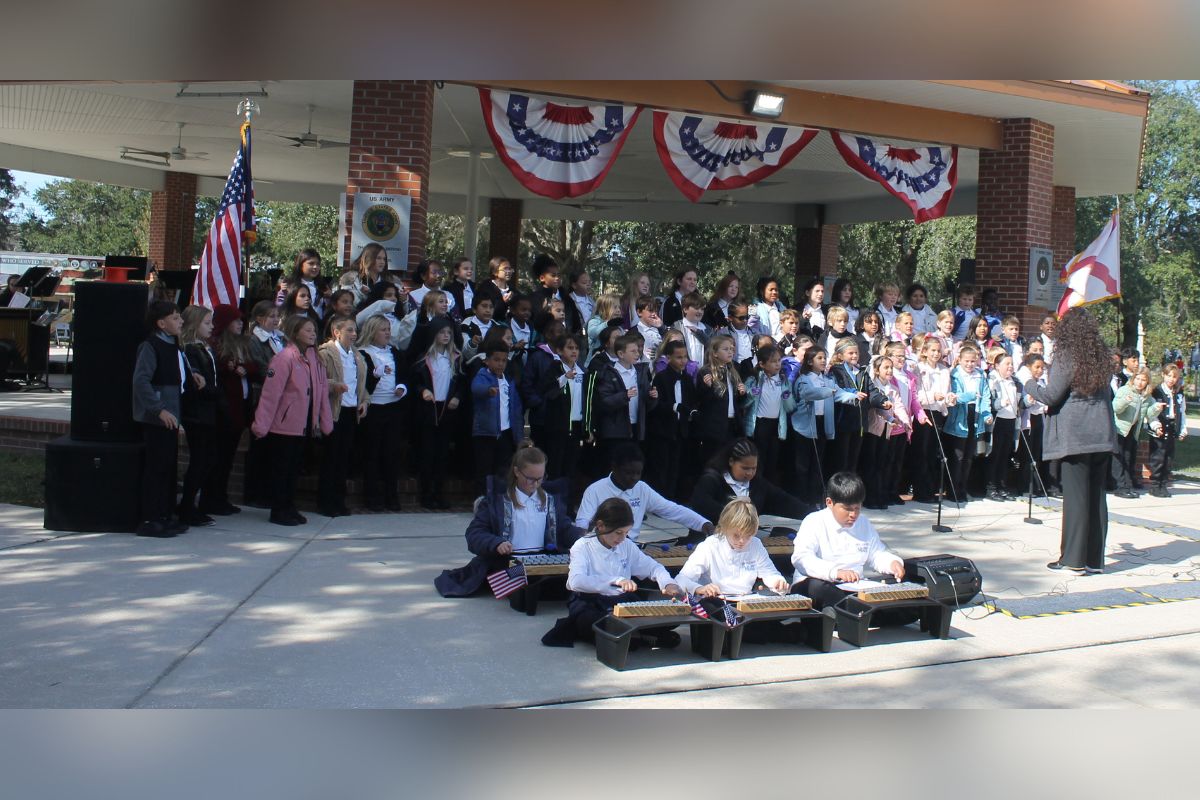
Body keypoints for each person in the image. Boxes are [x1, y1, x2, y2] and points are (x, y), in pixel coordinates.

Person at [1023, 308, 1117, 573]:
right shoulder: (1101, 357)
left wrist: (1030, 384)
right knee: (1097, 497)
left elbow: (1052, 396)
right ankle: (1094, 560)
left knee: (1075, 497)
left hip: (1076, 434)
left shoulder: (1067, 355)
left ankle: (1073, 559)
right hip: (1101, 432)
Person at [435, 444, 581, 597]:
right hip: (509, 563)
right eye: (530, 478)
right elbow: (474, 533)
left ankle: (541, 587)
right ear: (517, 472)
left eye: (540, 478)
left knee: (575, 583)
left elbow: (565, 530)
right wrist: (496, 543)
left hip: (543, 561)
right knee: (529, 590)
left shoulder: (551, 501)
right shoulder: (496, 502)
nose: (536, 484)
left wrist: (583, 537)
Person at [541, 497, 684, 649]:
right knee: (593, 622)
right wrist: (616, 580)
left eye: (626, 532)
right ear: (601, 525)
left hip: (622, 603)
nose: (622, 538)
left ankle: (633, 636)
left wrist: (668, 583)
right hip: (591, 604)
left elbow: (653, 567)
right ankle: (640, 638)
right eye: (618, 532)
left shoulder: (627, 545)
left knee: (674, 616)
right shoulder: (582, 546)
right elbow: (575, 581)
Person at [790, 472, 910, 620]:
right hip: (821, 584)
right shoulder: (813, 521)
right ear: (829, 503)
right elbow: (801, 559)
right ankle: (860, 614)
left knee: (906, 595)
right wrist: (835, 572)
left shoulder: (863, 523)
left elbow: (876, 553)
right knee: (817, 587)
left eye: (857, 508)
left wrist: (892, 563)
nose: (853, 514)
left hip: (854, 588)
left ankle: (844, 616)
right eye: (847, 509)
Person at [251, 314, 333, 526]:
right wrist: (261, 425)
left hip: (304, 425)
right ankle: (278, 509)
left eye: (314, 330)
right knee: (282, 470)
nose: (312, 333)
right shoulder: (284, 358)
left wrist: (325, 421)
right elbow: (271, 394)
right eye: (307, 330)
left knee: (294, 469)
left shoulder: (316, 360)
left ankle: (289, 506)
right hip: (283, 426)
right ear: (295, 332)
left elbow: (322, 391)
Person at [131, 301, 194, 538]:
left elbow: (177, 374)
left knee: (168, 467)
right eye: (176, 318)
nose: (181, 322)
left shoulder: (174, 346)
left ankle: (165, 515)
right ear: (161, 323)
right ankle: (150, 518)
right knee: (156, 469)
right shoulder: (150, 346)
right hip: (158, 417)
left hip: (172, 414)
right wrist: (158, 409)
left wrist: (193, 376)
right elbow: (141, 381)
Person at [576, 443, 714, 542]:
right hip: (603, 548)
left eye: (638, 473)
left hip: (632, 548)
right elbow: (582, 525)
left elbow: (671, 509)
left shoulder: (642, 488)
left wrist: (703, 523)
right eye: (628, 473)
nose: (634, 478)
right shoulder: (595, 490)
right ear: (614, 467)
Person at [679, 497, 792, 603]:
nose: (742, 541)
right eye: (736, 535)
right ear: (725, 528)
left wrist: (777, 581)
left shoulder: (755, 544)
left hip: (746, 600)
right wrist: (700, 588)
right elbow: (681, 579)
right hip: (715, 601)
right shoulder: (710, 545)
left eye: (748, 535)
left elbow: (769, 572)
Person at [407, 318, 464, 509]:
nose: (446, 336)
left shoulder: (455, 357)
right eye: (442, 333)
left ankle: (439, 493)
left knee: (442, 454)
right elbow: (415, 381)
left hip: (446, 409)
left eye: (449, 333)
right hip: (429, 409)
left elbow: (461, 382)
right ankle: (426, 494)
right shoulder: (424, 359)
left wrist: (456, 397)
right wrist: (423, 390)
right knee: (427, 453)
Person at [690, 438, 810, 524]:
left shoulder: (758, 485)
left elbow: (785, 502)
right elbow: (701, 504)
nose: (750, 473)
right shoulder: (712, 480)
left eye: (754, 468)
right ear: (731, 462)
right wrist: (738, 514)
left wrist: (814, 515)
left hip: (745, 543)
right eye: (745, 468)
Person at [316, 315, 368, 517]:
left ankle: (339, 500)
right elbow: (319, 379)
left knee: (343, 458)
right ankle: (325, 502)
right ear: (336, 332)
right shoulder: (326, 353)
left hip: (350, 411)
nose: (354, 334)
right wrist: (333, 385)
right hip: (333, 411)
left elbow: (361, 385)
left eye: (355, 331)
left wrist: (364, 401)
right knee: (331, 458)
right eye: (349, 330)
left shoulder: (356, 355)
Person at [357, 314, 409, 512]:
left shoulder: (394, 352)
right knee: (372, 454)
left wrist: (402, 387)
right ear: (372, 332)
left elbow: (404, 375)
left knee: (391, 454)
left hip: (393, 407)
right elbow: (364, 383)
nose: (387, 333)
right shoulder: (363, 353)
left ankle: (391, 496)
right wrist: (376, 375)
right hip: (373, 408)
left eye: (388, 329)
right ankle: (372, 497)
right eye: (383, 329)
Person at [177, 306, 223, 527]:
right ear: (194, 324)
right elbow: (198, 382)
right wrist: (212, 390)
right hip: (197, 413)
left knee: (209, 459)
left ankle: (193, 503)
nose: (212, 326)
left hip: (209, 411)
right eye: (207, 322)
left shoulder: (206, 348)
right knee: (200, 460)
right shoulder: (189, 350)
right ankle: (187, 506)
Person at [208, 305, 254, 516]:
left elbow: (254, 366)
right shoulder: (216, 346)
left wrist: (244, 367)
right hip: (225, 410)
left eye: (241, 320)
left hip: (240, 408)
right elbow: (219, 368)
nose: (240, 323)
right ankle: (212, 498)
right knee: (218, 457)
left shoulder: (242, 344)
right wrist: (231, 366)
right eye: (235, 320)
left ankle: (222, 496)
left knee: (228, 457)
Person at [590, 332, 658, 465]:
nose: (637, 353)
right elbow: (603, 402)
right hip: (616, 431)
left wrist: (652, 397)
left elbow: (647, 404)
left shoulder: (641, 372)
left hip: (636, 428)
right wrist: (624, 396)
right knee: (615, 465)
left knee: (633, 464)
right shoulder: (608, 373)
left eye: (638, 350)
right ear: (621, 354)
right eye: (633, 351)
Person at [646, 340, 696, 502]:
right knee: (662, 466)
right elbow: (656, 404)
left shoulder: (687, 379)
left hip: (681, 430)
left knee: (678, 465)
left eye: (685, 357)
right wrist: (674, 407)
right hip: (664, 430)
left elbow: (691, 401)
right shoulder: (661, 378)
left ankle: (676, 498)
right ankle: (660, 500)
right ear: (668, 358)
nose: (683, 361)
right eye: (678, 357)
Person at [471, 341, 524, 494]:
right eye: (496, 360)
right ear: (487, 361)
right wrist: (488, 391)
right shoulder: (482, 376)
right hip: (485, 433)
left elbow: (516, 410)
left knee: (502, 471)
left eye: (504, 360)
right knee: (484, 471)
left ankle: (500, 500)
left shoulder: (509, 382)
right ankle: (482, 501)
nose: (500, 364)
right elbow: (476, 388)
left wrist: (519, 437)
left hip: (505, 433)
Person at [944, 343, 993, 503]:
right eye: (967, 361)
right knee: (957, 456)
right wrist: (971, 395)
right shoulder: (955, 374)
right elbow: (956, 396)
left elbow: (985, 396)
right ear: (960, 360)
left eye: (973, 361)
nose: (970, 364)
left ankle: (962, 488)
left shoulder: (980, 375)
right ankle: (952, 490)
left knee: (969, 457)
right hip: (960, 417)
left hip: (976, 416)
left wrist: (987, 413)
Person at [741, 343, 792, 482]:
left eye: (779, 361)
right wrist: (751, 394)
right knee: (759, 458)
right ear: (762, 364)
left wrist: (788, 398)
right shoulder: (755, 379)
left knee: (773, 459)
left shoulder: (783, 380)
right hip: (760, 424)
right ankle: (756, 485)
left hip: (776, 425)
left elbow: (790, 407)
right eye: (773, 361)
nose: (777, 364)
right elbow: (743, 403)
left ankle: (769, 488)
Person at [1110, 367, 1159, 499]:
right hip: (1120, 429)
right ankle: (1119, 486)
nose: (1140, 382)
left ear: (1147, 382)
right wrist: (1125, 401)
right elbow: (1115, 408)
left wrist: (1156, 408)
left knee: (1128, 458)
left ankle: (1127, 486)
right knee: (1118, 458)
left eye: (1143, 380)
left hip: (1133, 430)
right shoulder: (1124, 390)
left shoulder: (1147, 397)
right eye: (1137, 379)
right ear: (1133, 379)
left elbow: (1150, 413)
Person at [986, 350, 1022, 501]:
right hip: (998, 422)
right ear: (996, 366)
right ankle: (991, 488)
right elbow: (990, 403)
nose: (1010, 367)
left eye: (1012, 364)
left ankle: (1002, 486)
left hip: (1011, 421)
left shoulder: (1015, 382)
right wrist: (1001, 403)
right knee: (995, 455)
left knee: (1005, 456)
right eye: (1007, 364)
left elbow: (1020, 403)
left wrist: (1027, 402)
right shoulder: (993, 381)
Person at [1147, 364, 1187, 498]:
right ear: (1163, 375)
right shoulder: (1156, 391)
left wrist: (1182, 428)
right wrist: (1155, 426)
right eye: (1169, 376)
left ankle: (1163, 484)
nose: (1171, 379)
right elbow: (1151, 413)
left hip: (1171, 426)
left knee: (1168, 457)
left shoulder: (1178, 393)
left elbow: (1182, 411)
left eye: (1174, 377)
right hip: (1160, 426)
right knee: (1158, 457)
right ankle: (1154, 485)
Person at [341, 243, 392, 307]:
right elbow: (348, 304)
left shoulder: (389, 280)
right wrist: (362, 294)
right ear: (368, 258)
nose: (382, 262)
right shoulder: (351, 279)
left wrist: (404, 301)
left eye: (384, 259)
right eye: (378, 258)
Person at [672, 291, 709, 365]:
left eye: (702, 309)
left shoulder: (707, 329)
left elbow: (714, 347)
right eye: (696, 308)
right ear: (685, 309)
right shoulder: (676, 327)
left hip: (703, 372)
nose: (700, 311)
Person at [291, 248, 328, 320]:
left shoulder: (322, 286)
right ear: (301, 265)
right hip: (296, 324)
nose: (315, 267)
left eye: (318, 264)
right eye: (311, 263)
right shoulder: (292, 285)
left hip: (317, 326)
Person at [476, 256, 517, 322]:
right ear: (494, 272)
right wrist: (504, 302)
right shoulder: (486, 287)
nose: (509, 271)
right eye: (505, 269)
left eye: (510, 269)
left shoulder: (512, 290)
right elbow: (485, 310)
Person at [633, 295, 665, 363]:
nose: (654, 314)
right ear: (639, 312)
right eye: (650, 310)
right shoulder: (634, 332)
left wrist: (661, 327)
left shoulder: (660, 329)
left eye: (656, 311)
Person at [444, 257, 476, 324]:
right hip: (457, 323)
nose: (470, 271)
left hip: (473, 322)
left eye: (471, 269)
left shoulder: (474, 287)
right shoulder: (449, 288)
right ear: (456, 271)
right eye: (466, 269)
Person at [562, 269, 593, 335]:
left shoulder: (592, 301)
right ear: (574, 285)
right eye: (584, 283)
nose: (588, 285)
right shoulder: (569, 301)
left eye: (590, 282)